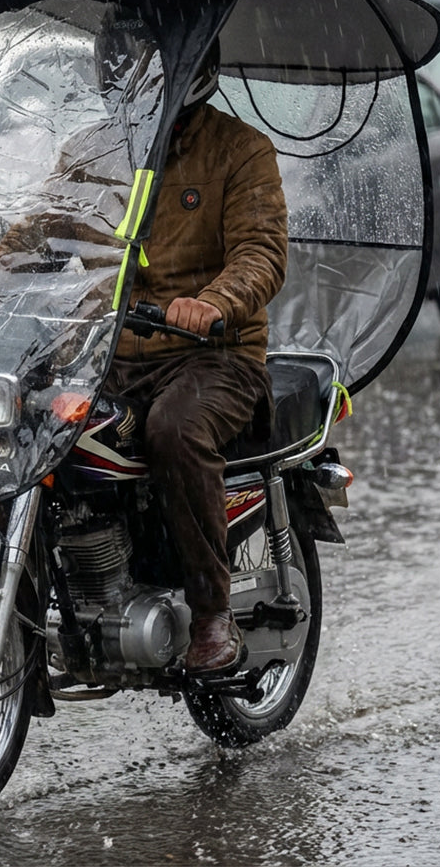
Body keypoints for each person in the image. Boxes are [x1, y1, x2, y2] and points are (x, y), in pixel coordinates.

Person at [105, 40, 289, 673]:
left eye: (145, 64)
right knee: (25, 418)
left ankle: (213, 614)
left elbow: (262, 252)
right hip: (113, 350)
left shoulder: (240, 151)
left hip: (216, 356)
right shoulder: (101, 149)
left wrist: (213, 301)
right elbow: (44, 224)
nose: (131, 76)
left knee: (173, 429)